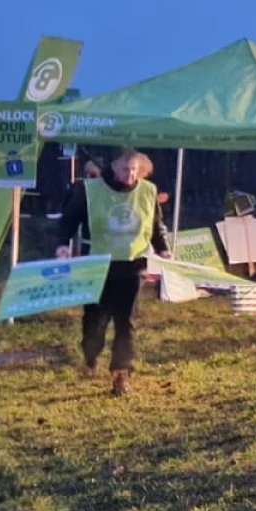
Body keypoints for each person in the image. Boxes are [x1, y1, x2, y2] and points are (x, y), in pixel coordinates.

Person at [54, 148, 170, 395]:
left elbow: (155, 225)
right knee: (95, 320)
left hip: (132, 265)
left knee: (125, 322)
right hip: (96, 264)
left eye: (135, 170)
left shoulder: (147, 191)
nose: (131, 175)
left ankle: (121, 374)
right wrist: (63, 245)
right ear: (113, 168)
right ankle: (90, 353)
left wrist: (164, 250)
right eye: (126, 170)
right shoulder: (90, 190)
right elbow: (69, 220)